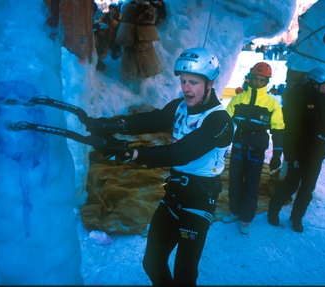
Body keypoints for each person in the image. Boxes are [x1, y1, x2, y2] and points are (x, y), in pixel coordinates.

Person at [86, 47, 234, 286]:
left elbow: (183, 152)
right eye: (183, 81)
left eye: (194, 82)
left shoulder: (219, 121)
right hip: (173, 195)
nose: (186, 88)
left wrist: (134, 153)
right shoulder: (180, 107)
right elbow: (150, 120)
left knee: (185, 275)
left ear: (210, 83)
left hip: (199, 201)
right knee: (152, 263)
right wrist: (110, 125)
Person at [267, 67, 325, 233]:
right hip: (298, 152)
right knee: (290, 185)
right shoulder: (297, 99)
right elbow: (287, 129)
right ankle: (273, 211)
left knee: (308, 187)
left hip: (316, 153)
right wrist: (291, 155)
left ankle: (297, 218)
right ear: (315, 84)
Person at [222, 62, 285, 234]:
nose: (258, 83)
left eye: (262, 80)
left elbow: (278, 129)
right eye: (255, 79)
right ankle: (234, 211)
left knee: (251, 185)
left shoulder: (272, 104)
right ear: (249, 78)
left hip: (256, 152)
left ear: (267, 81)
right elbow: (226, 125)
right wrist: (218, 146)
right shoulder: (237, 100)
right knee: (234, 183)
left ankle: (245, 218)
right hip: (238, 149)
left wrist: (277, 154)